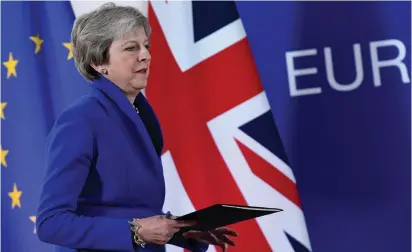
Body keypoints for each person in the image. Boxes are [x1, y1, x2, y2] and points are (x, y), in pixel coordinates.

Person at [36, 3, 238, 252]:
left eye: (146, 46)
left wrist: (182, 231)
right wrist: (137, 231)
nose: (146, 55)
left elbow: (134, 210)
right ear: (99, 63)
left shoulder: (141, 116)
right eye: (131, 48)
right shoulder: (80, 120)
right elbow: (51, 223)